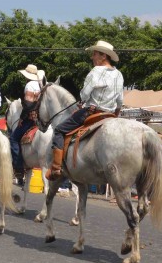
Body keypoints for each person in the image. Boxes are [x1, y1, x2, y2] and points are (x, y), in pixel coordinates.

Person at [48, 41, 124, 180]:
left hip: (92, 112)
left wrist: (83, 100)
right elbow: (119, 101)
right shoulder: (119, 74)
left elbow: (84, 95)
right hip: (110, 115)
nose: (92, 57)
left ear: (103, 56)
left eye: (94, 54)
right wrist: (115, 116)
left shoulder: (95, 71)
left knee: (59, 130)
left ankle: (56, 168)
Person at [10, 64, 45, 185]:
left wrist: (21, 117)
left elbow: (29, 104)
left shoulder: (29, 85)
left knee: (13, 139)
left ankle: (19, 168)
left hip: (30, 119)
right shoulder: (42, 84)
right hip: (42, 118)